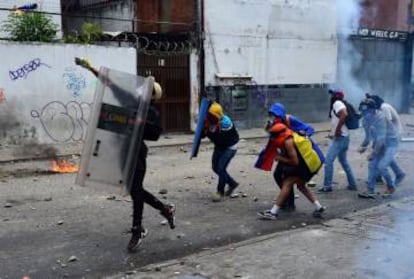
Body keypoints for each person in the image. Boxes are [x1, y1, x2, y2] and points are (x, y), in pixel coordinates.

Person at [75, 58, 175, 251]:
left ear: (152, 96)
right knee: (134, 189)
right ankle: (165, 208)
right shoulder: (129, 100)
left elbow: (156, 134)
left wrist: (138, 124)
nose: (142, 91)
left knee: (136, 191)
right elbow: (110, 84)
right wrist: (91, 68)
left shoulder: (152, 112)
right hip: (124, 151)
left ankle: (137, 230)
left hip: (137, 153)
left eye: (147, 91)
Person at [256, 123, 325, 220]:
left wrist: (280, 158)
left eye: (272, 135)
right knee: (301, 186)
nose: (271, 138)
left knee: (287, 183)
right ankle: (319, 207)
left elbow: (294, 161)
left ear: (278, 134)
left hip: (304, 166)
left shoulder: (288, 142)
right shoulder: (289, 136)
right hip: (308, 164)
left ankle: (273, 212)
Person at [266, 102, 315, 211]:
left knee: (287, 178)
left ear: (281, 115)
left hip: (296, 154)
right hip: (285, 152)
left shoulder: (290, 120)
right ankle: (288, 201)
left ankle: (289, 203)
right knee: (278, 175)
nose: (274, 118)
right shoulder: (273, 124)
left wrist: (303, 135)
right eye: (272, 115)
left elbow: (310, 129)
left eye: (276, 115)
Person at [357, 98, 400, 198]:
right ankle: (370, 190)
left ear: (373, 110)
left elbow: (381, 139)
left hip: (390, 142)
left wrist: (373, 153)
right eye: (363, 111)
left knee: (382, 166)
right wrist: (363, 146)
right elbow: (368, 137)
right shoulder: (365, 121)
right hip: (379, 143)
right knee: (372, 165)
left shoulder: (380, 118)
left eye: (367, 111)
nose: (365, 114)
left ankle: (391, 187)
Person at [319, 89, 357, 192]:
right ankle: (353, 184)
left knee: (328, 161)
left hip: (340, 138)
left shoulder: (337, 103)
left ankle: (327, 186)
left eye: (332, 95)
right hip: (344, 137)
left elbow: (344, 114)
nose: (330, 97)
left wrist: (337, 130)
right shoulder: (340, 103)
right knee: (343, 161)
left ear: (335, 96)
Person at [364, 93, 406, 186]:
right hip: (387, 136)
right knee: (384, 156)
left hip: (393, 134)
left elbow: (386, 123)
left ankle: (394, 177)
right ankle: (395, 174)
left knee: (384, 157)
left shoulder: (384, 108)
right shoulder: (380, 109)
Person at [202, 101, 240, 202]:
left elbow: (219, 139)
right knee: (215, 168)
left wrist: (207, 131)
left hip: (230, 146)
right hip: (220, 145)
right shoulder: (211, 120)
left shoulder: (225, 124)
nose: (208, 116)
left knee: (221, 168)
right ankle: (232, 183)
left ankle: (220, 191)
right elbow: (203, 134)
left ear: (215, 115)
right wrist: (203, 130)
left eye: (211, 115)